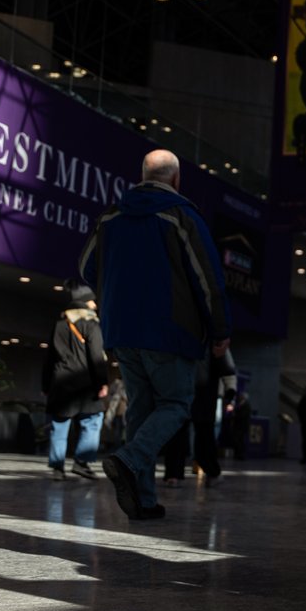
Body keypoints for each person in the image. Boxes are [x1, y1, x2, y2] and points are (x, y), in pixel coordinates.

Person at [79, 149, 231, 520]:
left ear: (142, 175)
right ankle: (129, 459)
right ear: (176, 179)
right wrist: (219, 330)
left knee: (140, 410)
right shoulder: (182, 216)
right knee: (176, 405)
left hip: (122, 331)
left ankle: (144, 500)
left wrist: (116, 295)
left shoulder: (111, 216)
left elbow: (86, 267)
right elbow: (207, 279)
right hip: (170, 330)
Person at [41, 280, 108, 481]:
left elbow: (50, 358)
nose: (95, 305)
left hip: (61, 382)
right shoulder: (92, 325)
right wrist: (102, 382)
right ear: (86, 303)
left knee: (59, 425)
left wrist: (45, 384)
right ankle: (81, 463)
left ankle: (57, 468)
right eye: (92, 301)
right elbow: (97, 356)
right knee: (92, 422)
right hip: (86, 384)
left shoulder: (60, 325)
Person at [161, 347, 237, 485]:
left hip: (189, 388)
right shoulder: (213, 339)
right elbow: (227, 365)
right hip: (201, 389)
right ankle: (209, 472)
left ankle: (175, 474)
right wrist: (230, 389)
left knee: (185, 432)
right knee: (202, 432)